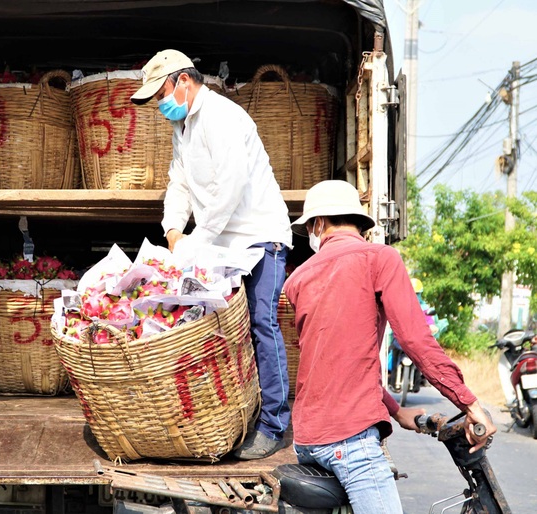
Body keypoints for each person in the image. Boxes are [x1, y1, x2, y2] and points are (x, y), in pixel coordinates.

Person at [283, 180, 497, 513]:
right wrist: (469, 404)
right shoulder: (379, 258)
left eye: (310, 225)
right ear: (357, 222)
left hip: (307, 439)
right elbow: (414, 339)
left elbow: (332, 361)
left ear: (319, 224)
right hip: (349, 442)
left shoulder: (297, 279)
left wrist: (396, 411)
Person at [131, 49, 294, 459]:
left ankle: (274, 424)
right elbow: (180, 185)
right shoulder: (183, 129)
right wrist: (172, 231)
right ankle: (232, 415)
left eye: (160, 93)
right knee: (221, 328)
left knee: (261, 323)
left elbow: (230, 189)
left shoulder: (221, 116)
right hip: (221, 244)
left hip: (260, 237)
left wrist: (197, 241)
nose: (158, 104)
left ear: (183, 81)